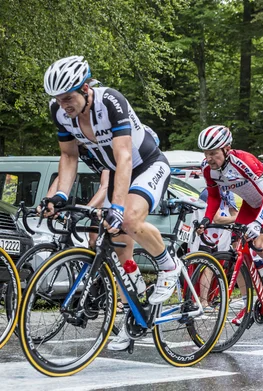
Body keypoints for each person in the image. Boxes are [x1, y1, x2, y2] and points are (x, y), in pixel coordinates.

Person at [41, 56, 178, 351]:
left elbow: (125, 157)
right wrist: (59, 196)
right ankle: (134, 312)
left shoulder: (110, 102)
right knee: (114, 245)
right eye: (58, 99)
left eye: (68, 97)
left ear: (86, 88)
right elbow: (69, 157)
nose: (63, 104)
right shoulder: (60, 113)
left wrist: (116, 207)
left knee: (127, 220)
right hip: (117, 171)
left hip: (146, 164)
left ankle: (169, 267)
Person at [196, 125, 263, 309]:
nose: (209, 158)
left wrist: (258, 222)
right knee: (239, 252)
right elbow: (214, 196)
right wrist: (206, 219)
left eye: (213, 153)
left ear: (226, 149)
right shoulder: (208, 169)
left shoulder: (243, 161)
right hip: (250, 205)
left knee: (261, 246)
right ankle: (248, 305)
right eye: (206, 153)